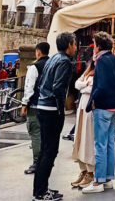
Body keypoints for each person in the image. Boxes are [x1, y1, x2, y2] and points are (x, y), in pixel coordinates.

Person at [33, 31, 77, 201]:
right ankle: (41, 192)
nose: (76, 46)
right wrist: (61, 108)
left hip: (42, 106)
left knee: (45, 150)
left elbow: (43, 81)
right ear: (69, 45)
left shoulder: (52, 59)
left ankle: (40, 189)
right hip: (52, 109)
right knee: (50, 151)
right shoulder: (65, 62)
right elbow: (58, 87)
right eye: (74, 43)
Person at [81, 31, 115, 194]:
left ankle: (98, 181)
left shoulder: (102, 61)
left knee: (100, 143)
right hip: (114, 104)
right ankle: (108, 178)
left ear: (98, 46)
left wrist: (92, 101)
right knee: (109, 143)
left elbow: (102, 85)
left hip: (103, 106)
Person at [22, 41, 51, 175]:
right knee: (47, 133)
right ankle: (47, 159)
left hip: (36, 104)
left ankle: (37, 161)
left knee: (35, 132)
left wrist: (24, 103)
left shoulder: (35, 66)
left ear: (38, 51)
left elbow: (29, 87)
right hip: (51, 104)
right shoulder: (53, 64)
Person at [70, 59, 95, 190]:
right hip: (82, 106)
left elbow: (91, 89)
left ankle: (90, 172)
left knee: (87, 138)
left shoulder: (98, 72)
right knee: (79, 138)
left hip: (89, 106)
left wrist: (83, 85)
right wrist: (85, 83)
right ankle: (83, 170)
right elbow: (77, 84)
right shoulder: (87, 72)